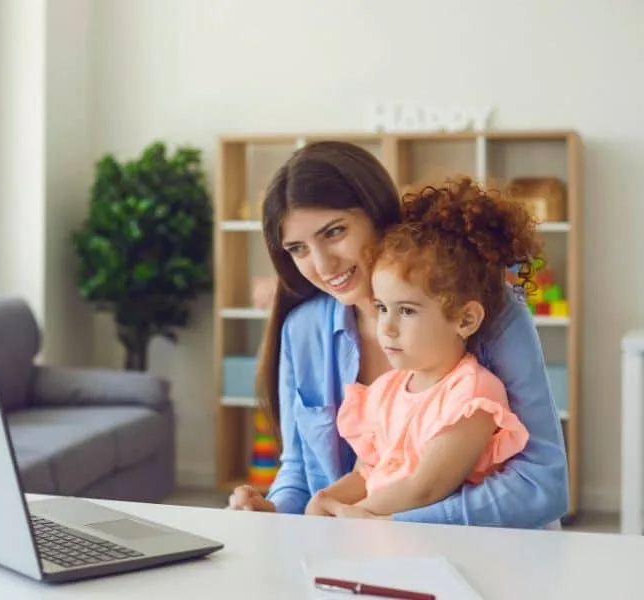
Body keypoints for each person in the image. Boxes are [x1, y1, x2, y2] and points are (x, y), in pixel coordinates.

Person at [227, 141, 569, 528]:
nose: (323, 265)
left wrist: (391, 521)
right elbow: (299, 475)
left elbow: (542, 483)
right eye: (298, 248)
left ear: (377, 215)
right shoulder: (301, 329)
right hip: (358, 543)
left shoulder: (488, 311)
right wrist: (271, 514)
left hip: (487, 549)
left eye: (335, 232)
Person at [309, 176, 534, 519]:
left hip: (437, 540)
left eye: (407, 311)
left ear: (465, 319)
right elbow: (368, 473)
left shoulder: (472, 395)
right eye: (382, 307)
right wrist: (326, 500)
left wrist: (349, 517)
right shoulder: (386, 390)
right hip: (382, 532)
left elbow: (425, 489)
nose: (387, 327)